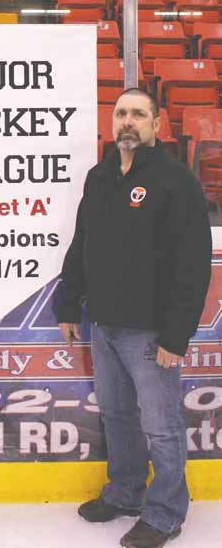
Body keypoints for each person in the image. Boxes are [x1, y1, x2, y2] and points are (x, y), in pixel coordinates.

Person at [55, 88, 212, 548]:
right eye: (121, 113)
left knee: (161, 426)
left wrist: (176, 335)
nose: (128, 121)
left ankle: (164, 514)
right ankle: (125, 492)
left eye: (138, 114)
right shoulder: (99, 177)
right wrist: (69, 305)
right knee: (118, 415)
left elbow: (192, 264)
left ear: (156, 125)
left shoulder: (175, 181)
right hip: (103, 325)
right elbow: (82, 243)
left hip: (150, 332)